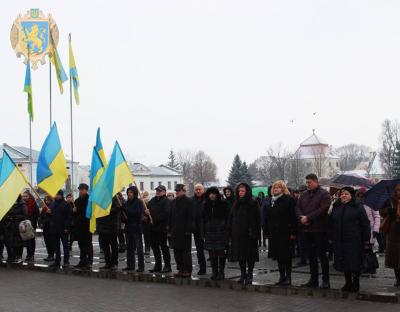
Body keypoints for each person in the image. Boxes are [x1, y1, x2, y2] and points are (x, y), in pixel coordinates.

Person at [330, 187, 371, 292]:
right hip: (340, 240)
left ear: (351, 196)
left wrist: (366, 239)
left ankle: (356, 282)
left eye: (346, 194)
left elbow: (365, 223)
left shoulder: (358, 207)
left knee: (354, 262)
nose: (343, 195)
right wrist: (330, 237)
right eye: (342, 194)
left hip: (354, 240)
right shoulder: (336, 207)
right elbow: (331, 223)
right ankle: (347, 282)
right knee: (343, 262)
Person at [295, 174, 331, 289]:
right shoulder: (304, 194)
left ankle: (326, 280)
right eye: (306, 182)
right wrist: (301, 217)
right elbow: (297, 207)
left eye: (309, 182)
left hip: (319, 230)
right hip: (307, 230)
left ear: (316, 182)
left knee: (321, 255)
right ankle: (313, 279)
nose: (307, 184)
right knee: (311, 256)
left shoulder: (324, 194)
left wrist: (308, 217)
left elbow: (323, 209)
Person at [264, 181, 297, 286]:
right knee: (278, 256)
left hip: (285, 232)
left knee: (286, 256)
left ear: (283, 189)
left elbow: (293, 217)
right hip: (274, 233)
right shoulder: (271, 201)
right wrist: (267, 231)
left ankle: (288, 277)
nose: (276, 189)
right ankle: (281, 277)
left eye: (278, 187)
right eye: (274, 188)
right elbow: (268, 217)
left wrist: (293, 232)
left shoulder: (289, 200)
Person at [228, 182, 261, 285]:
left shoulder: (253, 203)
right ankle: (243, 274)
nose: (241, 193)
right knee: (240, 256)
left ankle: (250, 274)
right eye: (239, 191)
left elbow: (258, 219)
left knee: (250, 256)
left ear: (247, 192)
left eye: (243, 191)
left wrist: (254, 232)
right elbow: (231, 219)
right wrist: (231, 232)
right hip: (237, 234)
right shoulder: (236, 204)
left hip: (249, 234)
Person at [203, 187, 229, 280]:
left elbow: (227, 218)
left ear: (217, 194)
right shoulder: (206, 204)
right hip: (209, 231)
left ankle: (221, 272)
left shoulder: (223, 204)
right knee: (211, 252)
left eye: (214, 193)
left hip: (220, 231)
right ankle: (215, 272)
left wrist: (224, 228)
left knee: (220, 251)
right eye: (210, 193)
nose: (212, 195)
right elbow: (203, 218)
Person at [168, 184, 194, 278]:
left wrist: (188, 230)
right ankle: (180, 269)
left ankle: (187, 270)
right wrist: (170, 229)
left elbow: (191, 217)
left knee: (186, 252)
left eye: (179, 191)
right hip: (175, 230)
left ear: (184, 191)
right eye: (176, 191)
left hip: (184, 231)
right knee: (177, 252)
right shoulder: (174, 202)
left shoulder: (189, 201)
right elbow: (170, 216)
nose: (177, 192)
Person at [380, 184, 400, 287]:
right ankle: (398, 278)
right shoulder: (390, 200)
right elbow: (381, 212)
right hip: (393, 231)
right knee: (395, 256)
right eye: (398, 190)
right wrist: (388, 210)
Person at [148, 185, 171, 273]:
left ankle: (167, 266)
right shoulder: (152, 200)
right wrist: (146, 212)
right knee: (155, 248)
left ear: (164, 192)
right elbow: (147, 209)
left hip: (162, 228)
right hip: (153, 228)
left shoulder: (166, 201)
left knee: (164, 247)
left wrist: (155, 219)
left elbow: (165, 213)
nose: (157, 192)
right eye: (157, 190)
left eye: (159, 191)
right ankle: (157, 265)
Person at [122, 186, 145, 272]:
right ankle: (130, 265)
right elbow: (125, 216)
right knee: (129, 248)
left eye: (131, 192)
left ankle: (141, 266)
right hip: (128, 228)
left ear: (135, 193)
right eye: (128, 192)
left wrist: (127, 211)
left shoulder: (139, 202)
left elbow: (138, 213)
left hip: (136, 228)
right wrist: (123, 215)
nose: (129, 194)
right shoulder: (127, 203)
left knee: (139, 248)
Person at [97, 196, 122, 270]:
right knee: (105, 246)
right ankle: (107, 263)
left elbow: (117, 209)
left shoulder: (114, 198)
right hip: (102, 225)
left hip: (112, 226)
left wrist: (107, 210)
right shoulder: (101, 198)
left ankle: (114, 263)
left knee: (113, 246)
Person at [49, 190, 72, 268]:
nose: (57, 196)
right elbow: (50, 217)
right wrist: (48, 213)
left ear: (61, 195)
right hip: (54, 228)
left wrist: (66, 227)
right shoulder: (52, 204)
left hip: (63, 228)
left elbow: (69, 217)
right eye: (56, 194)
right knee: (56, 246)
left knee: (65, 246)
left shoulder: (66, 204)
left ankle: (66, 261)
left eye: (58, 195)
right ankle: (57, 261)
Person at [1, 195, 27, 263]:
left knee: (18, 242)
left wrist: (15, 217)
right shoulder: (10, 203)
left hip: (18, 226)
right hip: (9, 226)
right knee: (10, 242)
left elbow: (24, 215)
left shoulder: (22, 204)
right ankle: (11, 256)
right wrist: (8, 217)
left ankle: (19, 257)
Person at [73, 183, 93, 269]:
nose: (80, 191)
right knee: (81, 244)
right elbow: (75, 214)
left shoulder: (90, 200)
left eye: (82, 189)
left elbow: (87, 212)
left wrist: (78, 210)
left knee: (88, 244)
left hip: (87, 225)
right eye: (80, 189)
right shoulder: (77, 201)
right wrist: (73, 211)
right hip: (79, 225)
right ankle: (82, 260)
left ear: (86, 190)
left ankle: (89, 261)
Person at [192, 184, 207, 275]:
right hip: (196, 229)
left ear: (203, 190)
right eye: (196, 189)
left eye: (199, 189)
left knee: (212, 250)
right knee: (199, 250)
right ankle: (202, 268)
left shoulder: (207, 199)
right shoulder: (192, 200)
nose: (198, 191)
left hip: (206, 228)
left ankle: (215, 269)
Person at [21, 190, 39, 263]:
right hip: (24, 224)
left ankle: (31, 254)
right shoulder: (22, 204)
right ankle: (28, 254)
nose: (24, 197)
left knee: (31, 240)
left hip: (31, 224)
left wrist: (32, 223)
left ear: (29, 196)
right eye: (23, 196)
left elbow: (37, 214)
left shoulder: (33, 203)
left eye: (26, 196)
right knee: (26, 240)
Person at [40, 195, 54, 261]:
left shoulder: (52, 207)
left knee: (51, 241)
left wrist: (50, 213)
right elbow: (41, 217)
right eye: (45, 200)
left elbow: (55, 217)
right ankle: (49, 254)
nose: (46, 201)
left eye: (48, 200)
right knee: (47, 241)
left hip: (51, 227)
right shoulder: (44, 208)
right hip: (45, 227)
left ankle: (51, 255)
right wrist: (40, 223)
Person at [142, 191, 151, 256]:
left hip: (148, 222)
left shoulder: (150, 202)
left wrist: (148, 214)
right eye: (144, 195)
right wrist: (142, 216)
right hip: (142, 221)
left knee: (147, 236)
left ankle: (147, 249)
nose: (145, 196)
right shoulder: (141, 202)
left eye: (146, 195)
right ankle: (146, 249)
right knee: (145, 236)